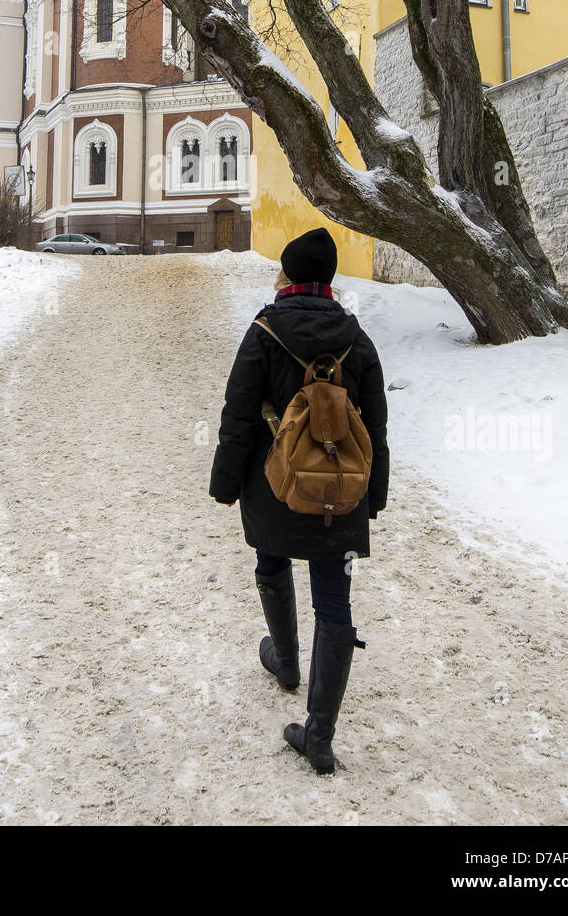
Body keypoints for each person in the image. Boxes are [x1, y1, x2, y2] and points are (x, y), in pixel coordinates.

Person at [209, 227, 389, 775]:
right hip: (339, 493)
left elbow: (239, 418)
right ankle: (320, 736)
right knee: (334, 600)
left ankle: (286, 662)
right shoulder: (357, 338)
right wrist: (373, 496)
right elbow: (375, 427)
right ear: (329, 280)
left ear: (286, 274)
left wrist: (224, 483)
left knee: (271, 558)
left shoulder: (263, 332)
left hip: (274, 483)